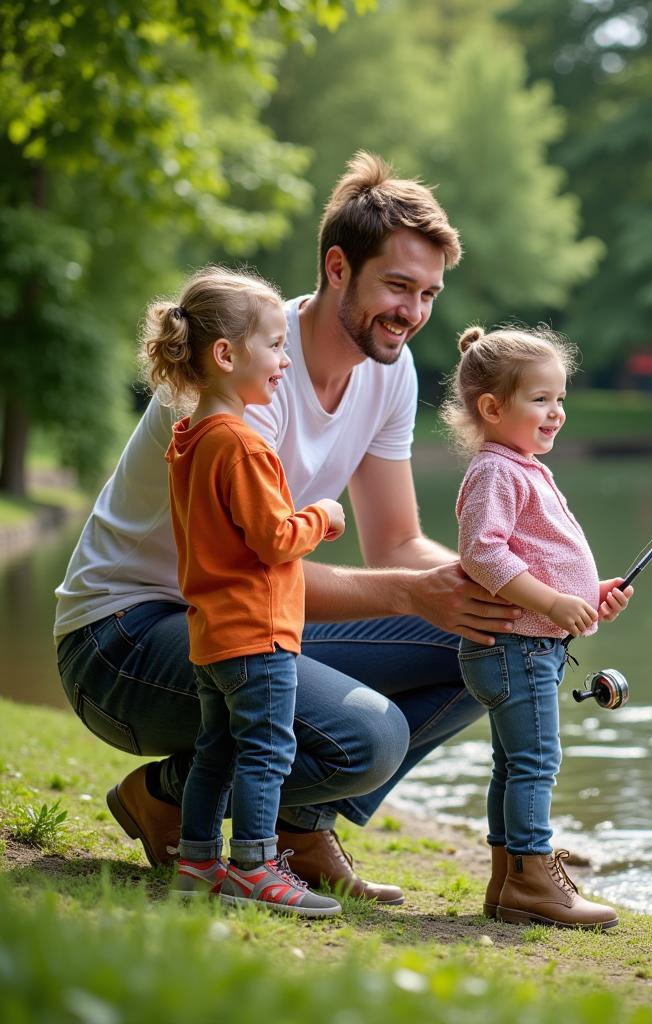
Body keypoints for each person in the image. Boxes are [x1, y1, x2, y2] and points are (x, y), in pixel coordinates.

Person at [55, 152, 517, 901]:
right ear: (339, 267)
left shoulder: (388, 370)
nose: (413, 311)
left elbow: (398, 541)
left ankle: (299, 824)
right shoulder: (245, 371)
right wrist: (410, 594)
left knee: (491, 635)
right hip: (125, 639)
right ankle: (168, 798)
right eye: (397, 286)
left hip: (242, 619)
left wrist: (510, 589)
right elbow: (259, 563)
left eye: (429, 293)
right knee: (370, 737)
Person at [142, 266, 347, 915]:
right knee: (266, 750)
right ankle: (256, 865)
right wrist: (325, 515)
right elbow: (274, 538)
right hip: (258, 632)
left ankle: (199, 863)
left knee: (218, 751)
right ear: (227, 355)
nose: (286, 359)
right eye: (276, 344)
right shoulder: (242, 445)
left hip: (212, 633)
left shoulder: (191, 440)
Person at [441, 324, 632, 930]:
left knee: (513, 763)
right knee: (536, 762)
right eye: (541, 400)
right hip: (516, 647)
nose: (557, 413)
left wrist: (584, 595)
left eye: (561, 399)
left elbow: (534, 553)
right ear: (493, 408)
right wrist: (551, 603)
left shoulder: (519, 465)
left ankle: (507, 881)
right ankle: (533, 876)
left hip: (525, 645)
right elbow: (484, 553)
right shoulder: (498, 470)